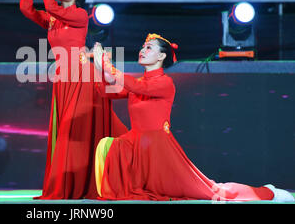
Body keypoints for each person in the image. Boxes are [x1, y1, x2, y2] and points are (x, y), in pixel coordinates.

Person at [92, 33, 294, 202]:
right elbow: (106, 91)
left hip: (158, 149)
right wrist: (99, 66)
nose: (142, 50)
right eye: (143, 47)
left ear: (162, 56)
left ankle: (269, 193)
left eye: (149, 48)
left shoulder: (164, 83)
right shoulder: (136, 83)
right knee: (110, 146)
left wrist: (106, 65)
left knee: (211, 191)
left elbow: (135, 86)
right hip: (136, 145)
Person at [19, 0, 128, 199]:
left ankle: (76, 185)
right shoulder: (52, 20)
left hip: (81, 77)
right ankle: (70, 186)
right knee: (66, 132)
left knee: (72, 132)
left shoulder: (79, 16)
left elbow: (49, 5)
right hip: (63, 79)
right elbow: (26, 7)